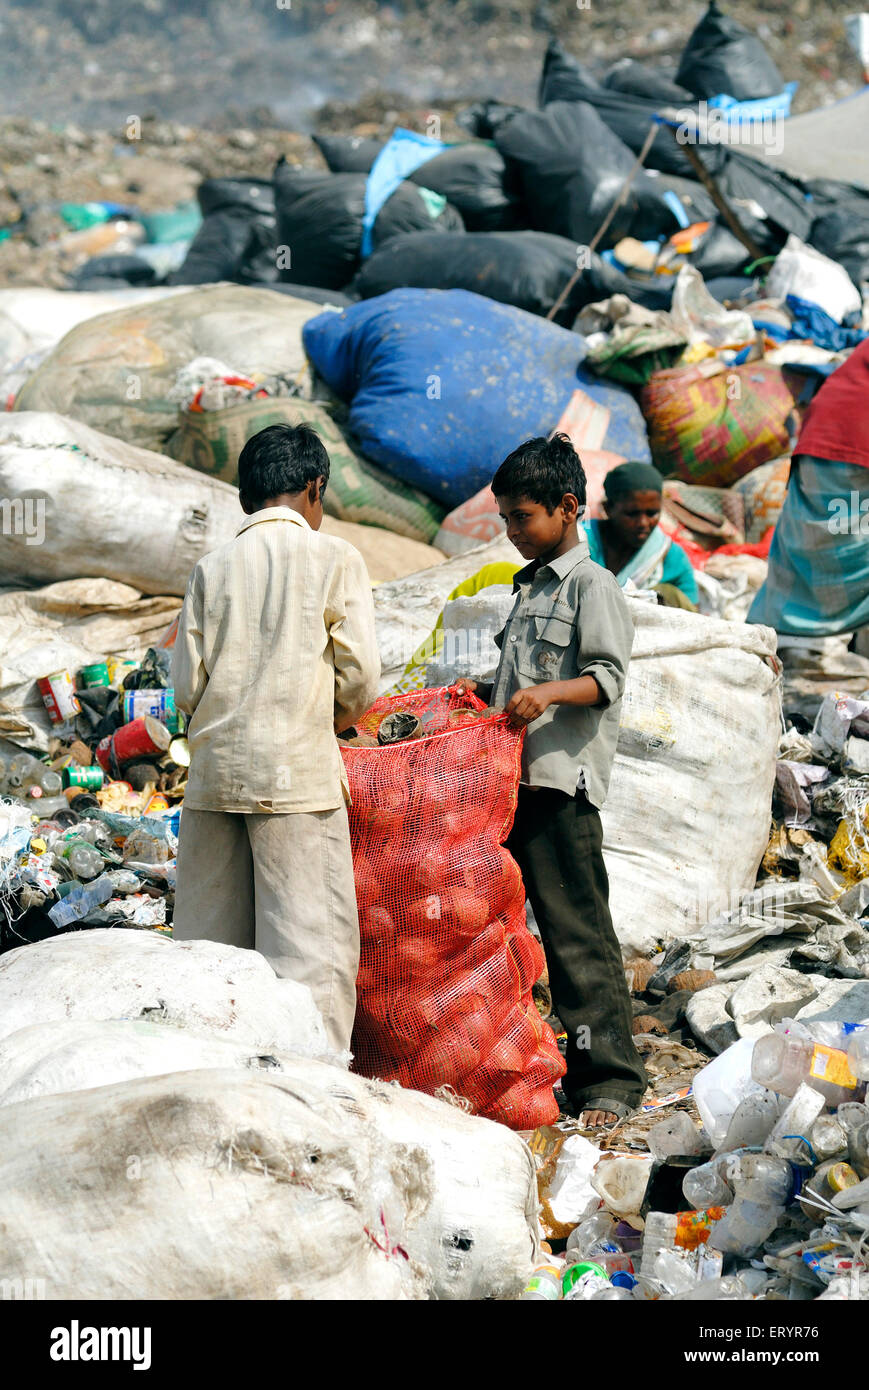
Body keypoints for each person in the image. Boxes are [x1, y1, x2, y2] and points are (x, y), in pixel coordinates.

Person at [455, 433, 647, 1130]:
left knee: (576, 935)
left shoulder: (591, 586)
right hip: (514, 784)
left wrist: (548, 695)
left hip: (558, 787)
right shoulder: (528, 586)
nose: (511, 533)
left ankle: (611, 1081)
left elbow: (606, 678)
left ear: (567, 509)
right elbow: (517, 681)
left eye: (523, 518)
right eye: (504, 519)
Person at [171, 423, 381, 1052]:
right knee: (307, 955)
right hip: (297, 782)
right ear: (316, 487)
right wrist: (332, 721)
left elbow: (187, 686)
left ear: (246, 496)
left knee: (210, 955)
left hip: (214, 781)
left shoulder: (212, 566)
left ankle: (211, 1075)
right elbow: (361, 674)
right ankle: (311, 1090)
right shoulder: (335, 557)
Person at [748, 341, 869, 637]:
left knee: (816, 542)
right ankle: (808, 635)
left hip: (821, 440)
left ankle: (779, 629)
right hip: (853, 446)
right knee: (851, 544)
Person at [584, 461, 698, 608]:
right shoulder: (580, 542)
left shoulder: (668, 555)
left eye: (652, 513)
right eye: (632, 514)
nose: (643, 523)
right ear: (608, 509)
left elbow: (693, 617)